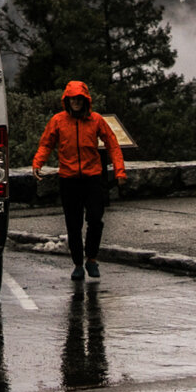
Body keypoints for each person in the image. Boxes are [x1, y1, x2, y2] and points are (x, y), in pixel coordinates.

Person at [29, 80, 126, 280]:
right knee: (73, 225)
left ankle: (91, 259)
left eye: (79, 99)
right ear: (67, 100)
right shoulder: (58, 121)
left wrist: (120, 171)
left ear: (85, 100)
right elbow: (46, 143)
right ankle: (78, 264)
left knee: (95, 219)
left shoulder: (96, 120)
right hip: (69, 179)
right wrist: (37, 163)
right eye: (72, 99)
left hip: (93, 178)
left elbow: (112, 145)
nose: (76, 102)